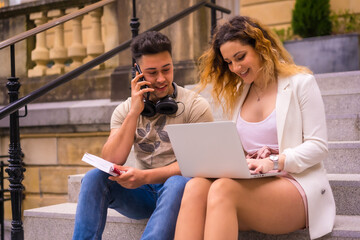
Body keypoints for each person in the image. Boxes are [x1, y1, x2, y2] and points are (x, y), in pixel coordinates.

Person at [174, 16, 335, 240]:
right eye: (229, 62)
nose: (236, 68)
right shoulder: (239, 93)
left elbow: (318, 147)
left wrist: (273, 162)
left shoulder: (301, 83)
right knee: (195, 187)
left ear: (261, 47)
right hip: (253, 183)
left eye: (240, 57)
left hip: (295, 183)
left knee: (222, 189)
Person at [72, 31, 214, 240]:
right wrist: (134, 112)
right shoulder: (125, 110)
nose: (161, 79)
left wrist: (145, 176)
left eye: (167, 69)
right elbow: (111, 160)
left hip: (182, 192)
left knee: (177, 182)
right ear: (137, 73)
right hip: (144, 194)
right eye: (151, 72)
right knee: (94, 177)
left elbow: (201, 165)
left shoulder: (195, 106)